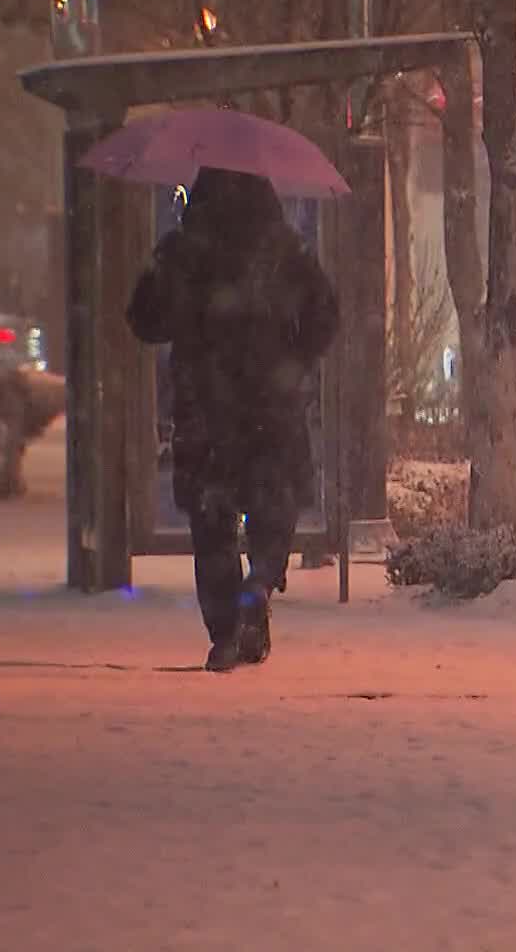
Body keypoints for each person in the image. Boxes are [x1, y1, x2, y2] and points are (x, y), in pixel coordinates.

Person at [125, 167, 338, 671]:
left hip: (206, 406)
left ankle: (224, 630)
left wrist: (161, 276)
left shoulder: (184, 251)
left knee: (211, 516)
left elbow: (145, 319)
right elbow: (325, 317)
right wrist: (294, 358)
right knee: (274, 502)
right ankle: (260, 582)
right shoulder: (285, 251)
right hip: (272, 403)